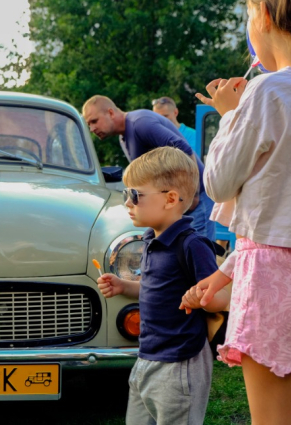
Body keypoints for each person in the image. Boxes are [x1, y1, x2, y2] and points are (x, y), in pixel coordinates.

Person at [189, 0, 291, 422]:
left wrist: (229, 117)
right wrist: (225, 274)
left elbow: (218, 184)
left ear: (262, 15)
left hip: (274, 280)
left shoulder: (267, 92)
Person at [96, 147, 227, 423]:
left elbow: (222, 294)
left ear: (169, 199)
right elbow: (155, 287)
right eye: (125, 195)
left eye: (134, 195)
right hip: (146, 357)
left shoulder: (192, 245)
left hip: (181, 362)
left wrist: (200, 298)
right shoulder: (150, 241)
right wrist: (123, 286)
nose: (127, 203)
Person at [82, 95, 216, 241]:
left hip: (195, 201)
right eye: (89, 124)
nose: (92, 128)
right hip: (176, 203)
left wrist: (194, 196)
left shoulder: (140, 123)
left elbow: (183, 149)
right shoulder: (124, 136)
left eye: (94, 121)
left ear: (111, 113)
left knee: (197, 256)